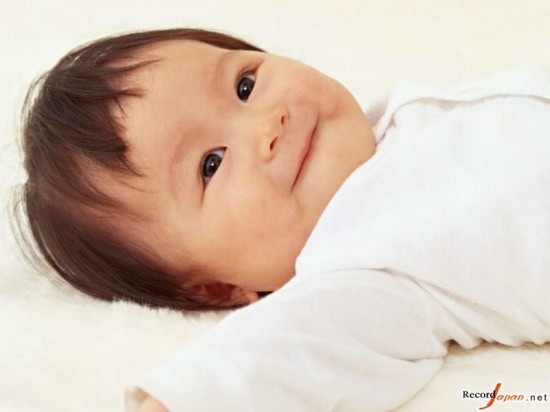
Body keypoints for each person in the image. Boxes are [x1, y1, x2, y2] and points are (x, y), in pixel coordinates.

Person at [15, 28, 550, 411]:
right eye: (210, 165)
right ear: (218, 289)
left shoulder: (402, 120)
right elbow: (277, 359)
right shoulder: (358, 263)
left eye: (245, 86)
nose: (269, 124)